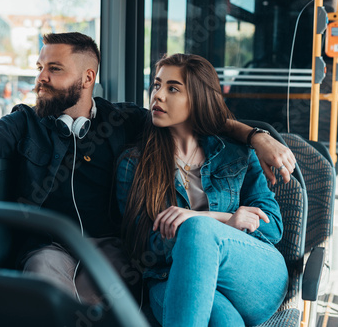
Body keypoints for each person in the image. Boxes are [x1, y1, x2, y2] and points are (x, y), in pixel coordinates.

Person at [0, 33, 294, 305]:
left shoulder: (126, 120)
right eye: (40, 67)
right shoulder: (26, 122)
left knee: (119, 292)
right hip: (51, 246)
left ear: (88, 78)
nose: (41, 78)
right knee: (43, 278)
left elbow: (200, 117)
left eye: (54, 69)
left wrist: (257, 136)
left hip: (113, 246)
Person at [116, 53, 289, 326]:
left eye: (172, 88)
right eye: (157, 85)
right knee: (223, 320)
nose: (158, 96)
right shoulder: (134, 164)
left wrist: (213, 220)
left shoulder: (237, 154)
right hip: (172, 277)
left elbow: (273, 227)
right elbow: (141, 247)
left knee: (197, 228)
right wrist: (213, 228)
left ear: (197, 98)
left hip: (252, 276)